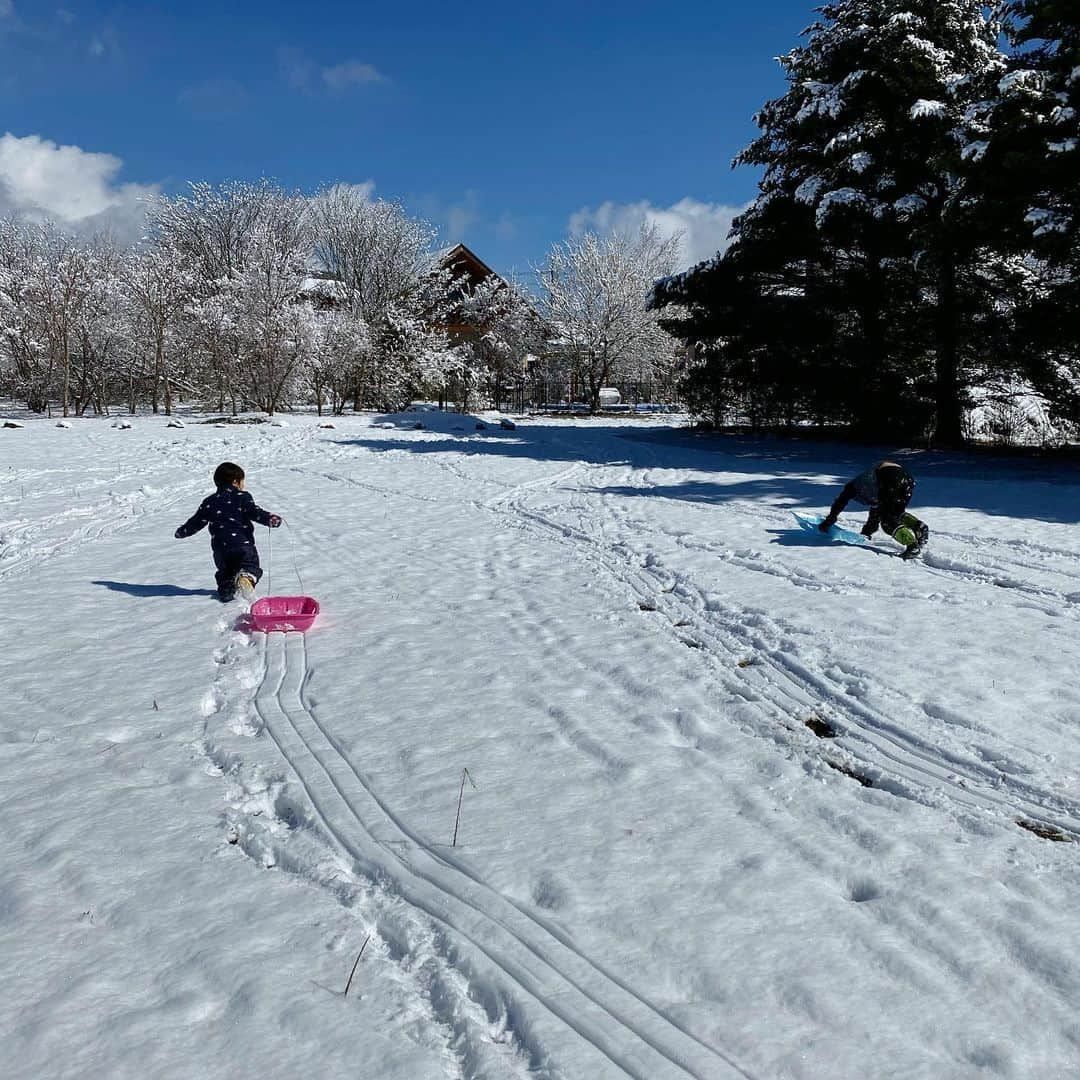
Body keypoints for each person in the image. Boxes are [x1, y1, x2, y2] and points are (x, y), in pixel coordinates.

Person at [175, 462, 281, 601]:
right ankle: (245, 578)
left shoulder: (209, 501)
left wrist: (182, 531)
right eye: (243, 481)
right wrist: (269, 519)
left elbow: (196, 521)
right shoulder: (242, 496)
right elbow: (254, 512)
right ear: (236, 481)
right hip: (243, 544)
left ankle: (227, 593)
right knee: (249, 566)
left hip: (220, 549)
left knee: (225, 573)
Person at [819, 460, 929, 560]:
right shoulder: (874, 491)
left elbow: (839, 504)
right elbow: (874, 518)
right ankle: (918, 526)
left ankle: (912, 545)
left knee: (887, 522)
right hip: (906, 476)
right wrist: (865, 534)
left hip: (889, 475)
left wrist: (828, 521)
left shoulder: (852, 487)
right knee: (896, 513)